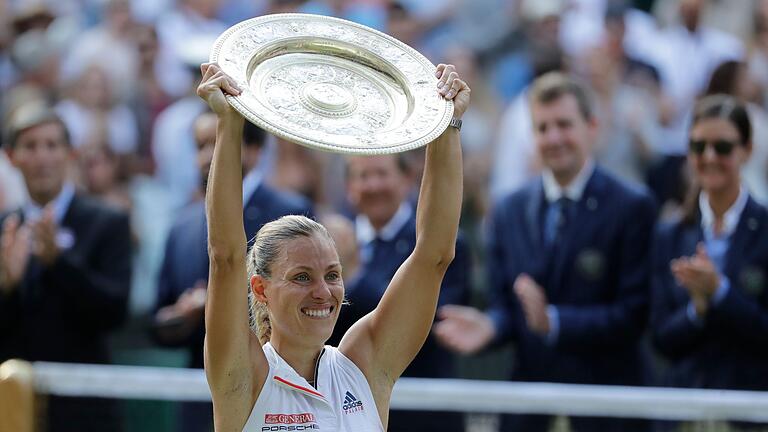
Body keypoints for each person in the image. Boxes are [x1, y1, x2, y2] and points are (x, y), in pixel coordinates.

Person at [195, 61, 468, 431]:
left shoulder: (363, 363)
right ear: (260, 288)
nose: (323, 292)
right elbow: (225, 258)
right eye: (302, 277)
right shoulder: (245, 375)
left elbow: (434, 254)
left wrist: (445, 123)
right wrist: (229, 124)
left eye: (333, 275)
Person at [434, 72, 656, 432]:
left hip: (609, 406)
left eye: (564, 125)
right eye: (543, 128)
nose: (553, 138)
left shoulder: (633, 206)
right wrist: (491, 325)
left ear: (592, 127)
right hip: (529, 404)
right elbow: (507, 306)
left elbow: (634, 314)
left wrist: (556, 322)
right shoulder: (509, 211)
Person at [153, 110, 312, 432]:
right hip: (199, 404)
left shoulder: (289, 214)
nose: (205, 156)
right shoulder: (180, 226)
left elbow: (304, 303)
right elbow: (157, 321)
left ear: (254, 150)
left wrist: (219, 306)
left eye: (217, 142)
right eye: (199, 146)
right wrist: (181, 317)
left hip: (275, 399)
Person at [0, 102, 131, 431]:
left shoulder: (107, 222)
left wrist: (59, 263)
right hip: (15, 407)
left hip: (84, 409)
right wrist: (7, 288)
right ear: (11, 157)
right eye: (30, 146)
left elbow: (114, 311)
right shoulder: (5, 230)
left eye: (52, 145)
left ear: (69, 154)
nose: (42, 157)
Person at [330, 151, 472, 431]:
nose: (373, 186)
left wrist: (356, 277)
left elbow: (426, 321)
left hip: (423, 410)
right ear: (348, 187)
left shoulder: (441, 244)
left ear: (407, 179)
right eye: (363, 176)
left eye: (381, 174)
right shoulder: (328, 242)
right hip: (348, 407)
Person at [651, 95, 768, 428]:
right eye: (698, 146)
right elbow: (660, 338)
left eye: (723, 147)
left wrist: (720, 293)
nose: (710, 157)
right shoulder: (669, 234)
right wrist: (697, 310)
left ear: (746, 150)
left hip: (752, 414)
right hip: (681, 413)